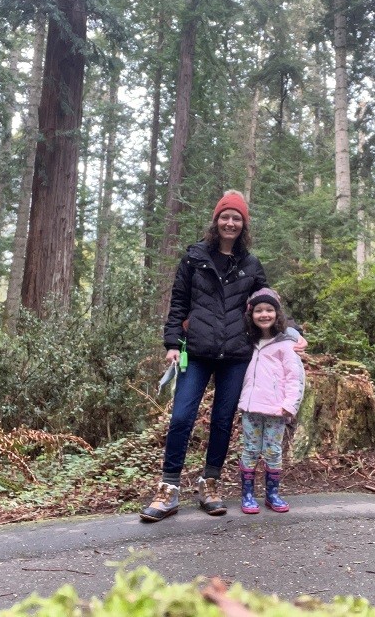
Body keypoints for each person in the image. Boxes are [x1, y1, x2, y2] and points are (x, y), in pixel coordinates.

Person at [140, 191, 269, 522]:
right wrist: (172, 343)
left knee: (223, 421)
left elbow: (267, 306)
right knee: (182, 417)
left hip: (236, 355)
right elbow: (179, 304)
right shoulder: (193, 258)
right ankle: (168, 489)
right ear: (216, 221)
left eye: (236, 218)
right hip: (196, 352)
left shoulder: (252, 265)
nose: (230, 223)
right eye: (225, 217)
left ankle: (209, 483)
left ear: (244, 225)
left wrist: (290, 334)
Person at [237, 287, 305, 513]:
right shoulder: (247, 342)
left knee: (273, 450)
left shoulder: (286, 344)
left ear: (277, 314)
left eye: (269, 310)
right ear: (251, 314)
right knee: (250, 449)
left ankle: (272, 493)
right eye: (258, 310)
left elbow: (295, 377)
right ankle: (247, 494)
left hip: (277, 409)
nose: (264, 315)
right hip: (251, 408)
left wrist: (290, 404)